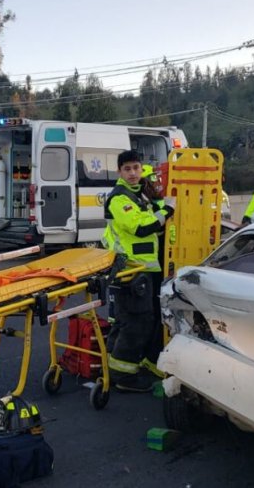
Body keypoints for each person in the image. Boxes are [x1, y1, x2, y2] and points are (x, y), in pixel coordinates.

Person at [102, 151, 175, 392]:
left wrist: (161, 204)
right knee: (136, 321)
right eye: (127, 169)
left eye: (136, 168)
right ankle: (123, 375)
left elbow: (157, 211)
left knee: (141, 317)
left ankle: (133, 360)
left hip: (146, 267)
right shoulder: (119, 198)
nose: (133, 173)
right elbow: (142, 228)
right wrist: (167, 212)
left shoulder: (141, 193)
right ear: (120, 171)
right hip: (130, 268)